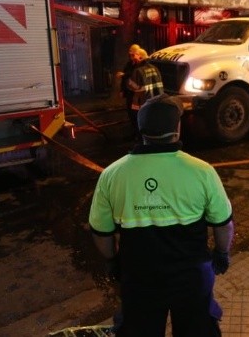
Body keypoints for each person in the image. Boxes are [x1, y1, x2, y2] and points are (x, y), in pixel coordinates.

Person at [89, 94, 234, 337]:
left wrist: (113, 261)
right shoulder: (202, 172)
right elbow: (223, 225)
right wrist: (221, 253)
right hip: (191, 279)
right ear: (177, 128)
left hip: (139, 279)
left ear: (141, 128)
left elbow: (101, 232)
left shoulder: (112, 175)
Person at [127, 47, 164, 128]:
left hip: (142, 102)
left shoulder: (138, 71)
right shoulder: (155, 68)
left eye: (134, 56)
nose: (132, 58)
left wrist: (128, 80)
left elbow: (132, 87)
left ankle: (140, 137)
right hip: (156, 100)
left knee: (141, 122)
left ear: (140, 57)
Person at [116, 44, 142, 132]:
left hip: (136, 94)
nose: (131, 56)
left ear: (139, 54)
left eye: (133, 54)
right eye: (130, 55)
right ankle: (134, 131)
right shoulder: (129, 64)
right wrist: (122, 90)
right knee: (130, 113)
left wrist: (124, 75)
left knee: (136, 113)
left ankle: (138, 133)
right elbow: (125, 77)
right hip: (129, 93)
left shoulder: (140, 65)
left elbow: (134, 74)